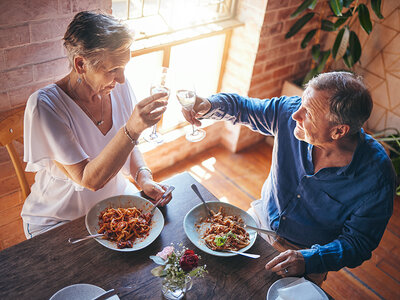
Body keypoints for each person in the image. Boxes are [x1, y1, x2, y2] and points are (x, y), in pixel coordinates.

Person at [183, 71, 397, 285]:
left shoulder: (377, 177)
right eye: (302, 103)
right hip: (256, 223)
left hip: (306, 256)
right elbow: (243, 108)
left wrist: (310, 259)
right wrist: (209, 105)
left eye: (309, 113)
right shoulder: (291, 111)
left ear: (338, 131)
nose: (296, 115)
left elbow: (359, 242)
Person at [22, 11, 172, 238]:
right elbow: (88, 180)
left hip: (113, 208)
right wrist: (133, 128)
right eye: (113, 70)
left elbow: (128, 147)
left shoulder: (117, 86)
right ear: (81, 64)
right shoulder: (45, 106)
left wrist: (144, 177)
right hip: (60, 219)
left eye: (123, 68)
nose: (121, 78)